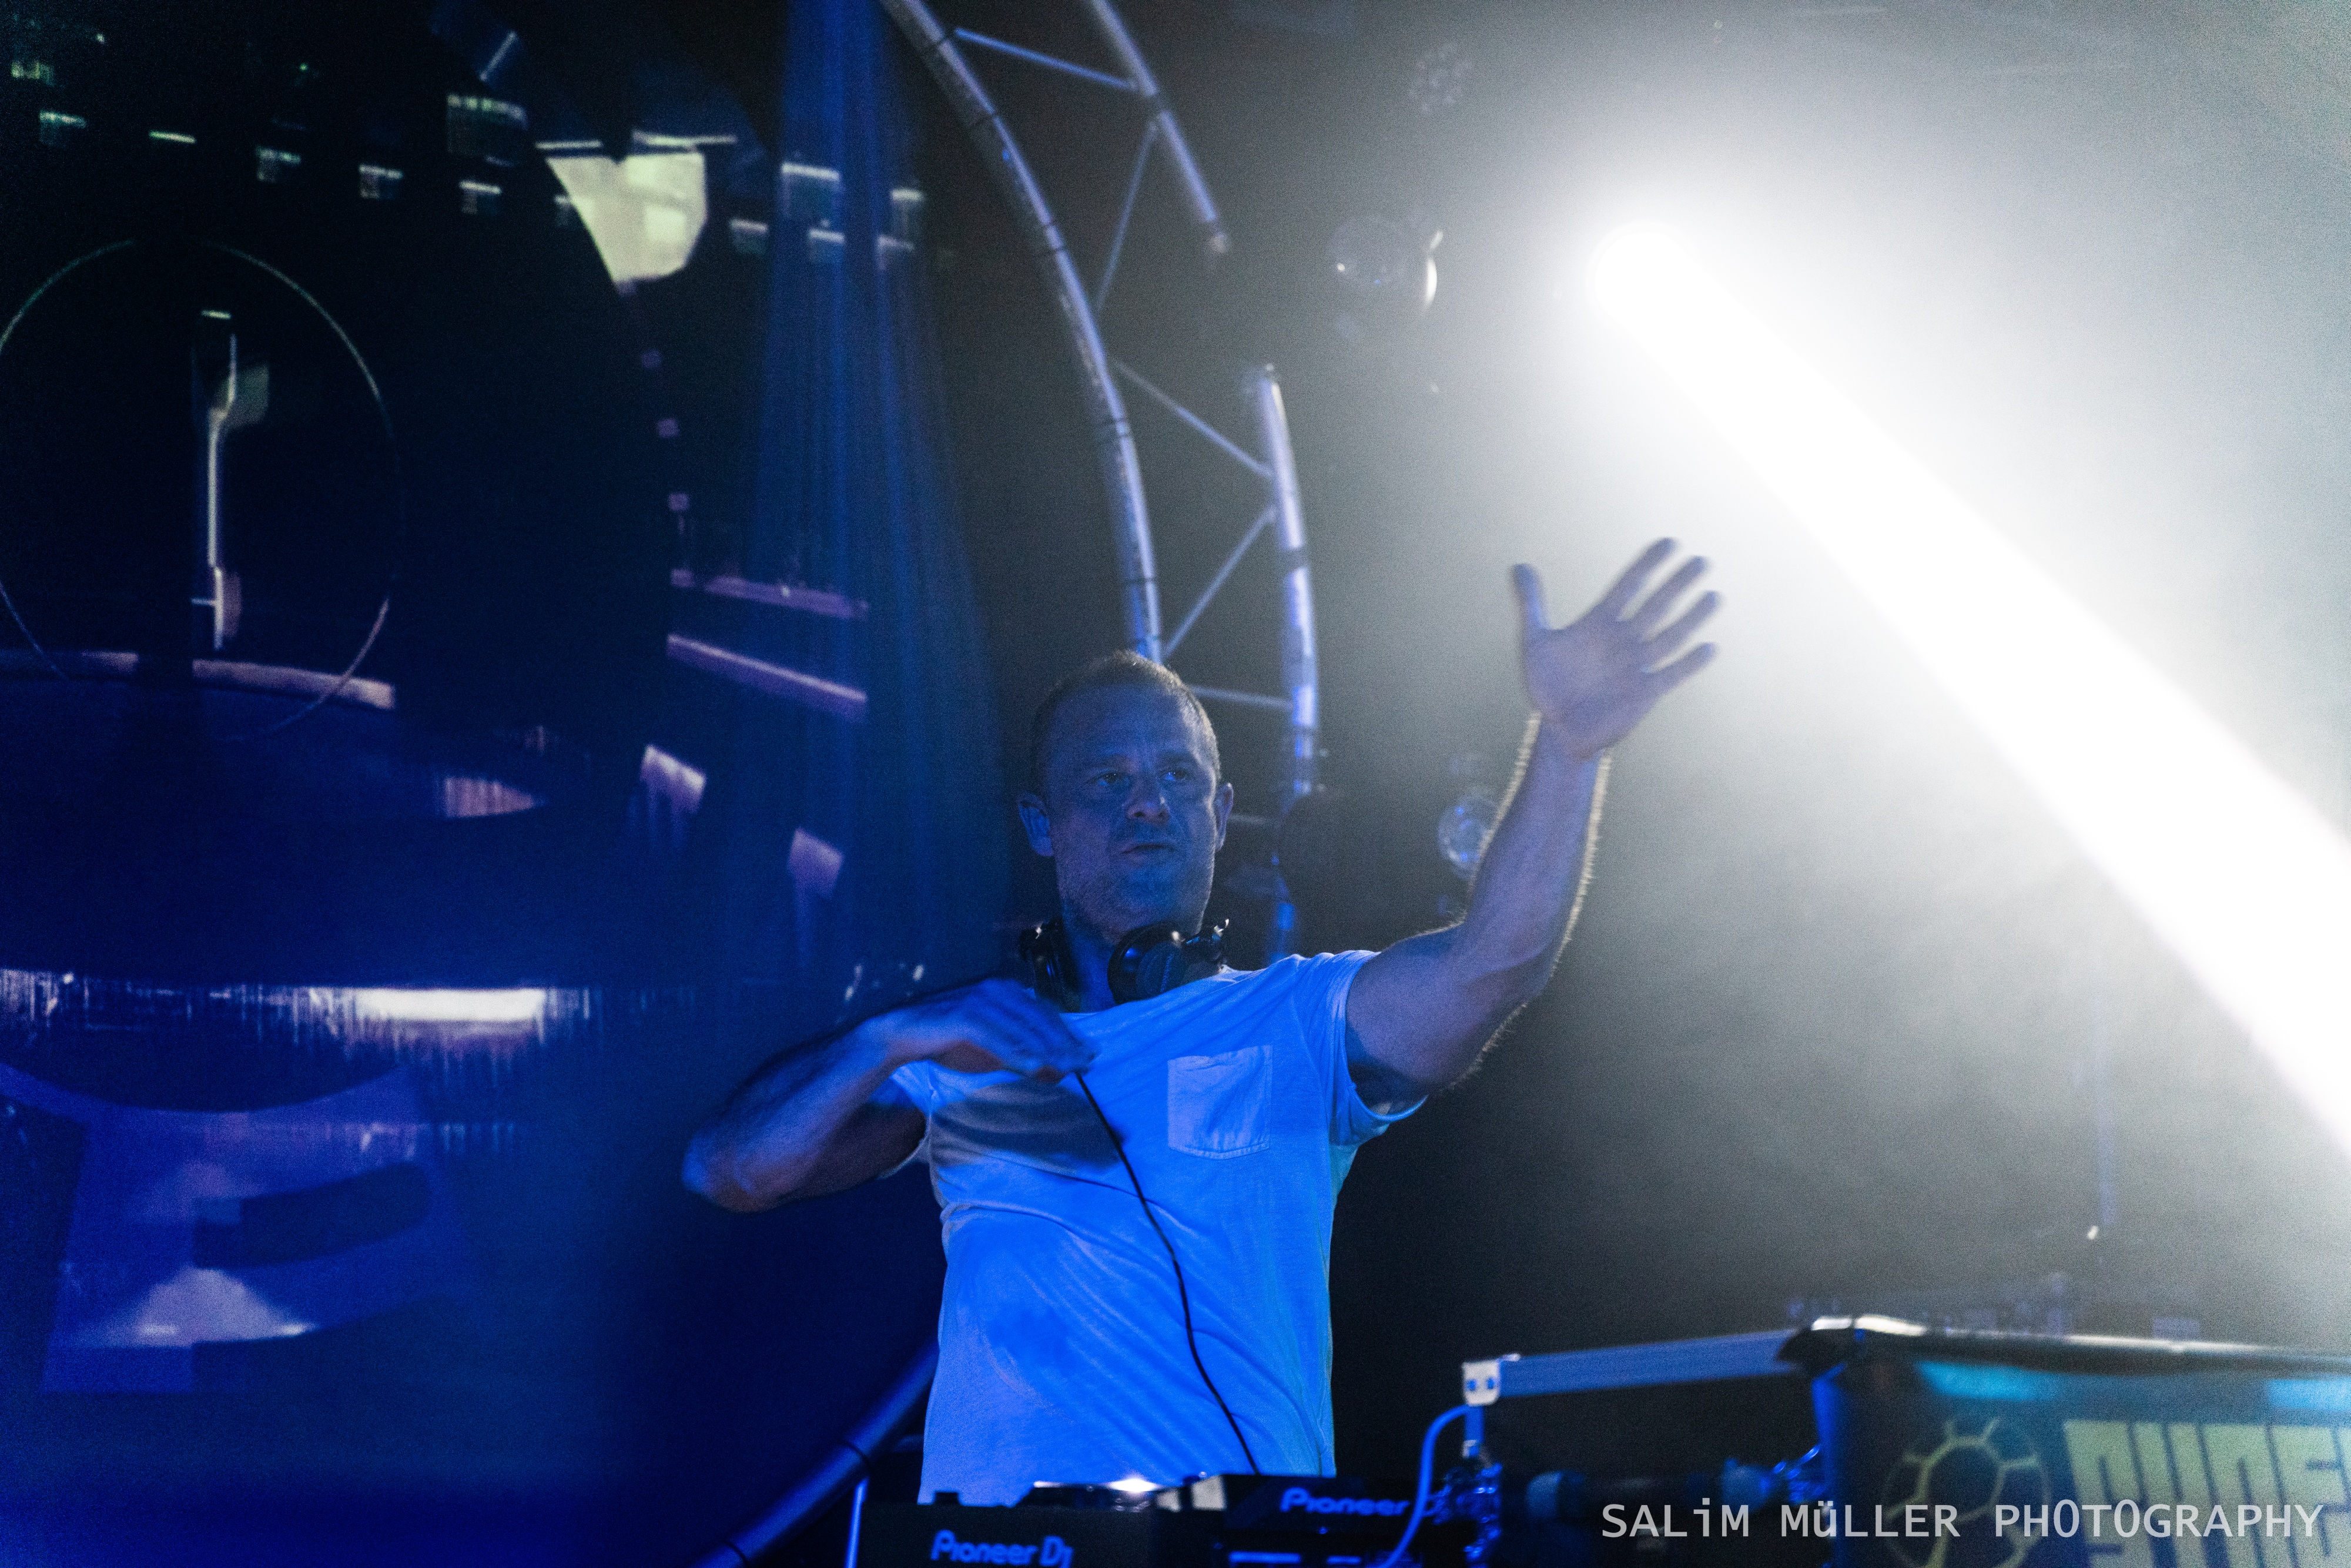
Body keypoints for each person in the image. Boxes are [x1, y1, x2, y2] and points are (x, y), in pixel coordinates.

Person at [682, 540, 1717, 1503]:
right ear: (1043, 823)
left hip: (1234, 1545)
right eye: (1109, 780)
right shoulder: (964, 1049)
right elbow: (730, 1170)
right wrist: (886, 1038)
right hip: (995, 1552)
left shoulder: (1298, 1016)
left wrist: (1568, 750)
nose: (1148, 804)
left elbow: (1494, 962)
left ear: (1220, 818)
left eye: (1178, 778)